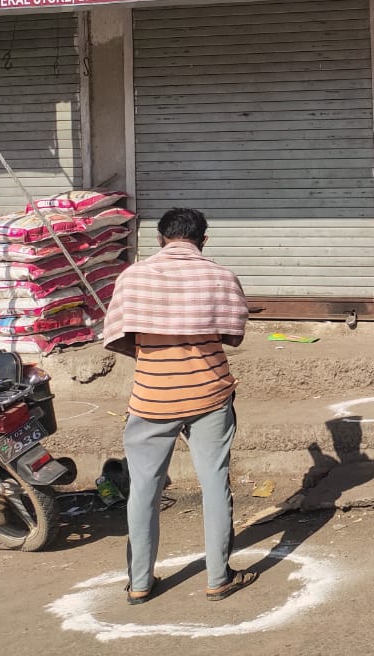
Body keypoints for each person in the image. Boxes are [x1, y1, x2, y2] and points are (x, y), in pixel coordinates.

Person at [102, 208, 256, 604]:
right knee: (214, 483)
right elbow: (233, 335)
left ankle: (139, 583)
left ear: (160, 239)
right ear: (204, 240)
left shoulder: (132, 277)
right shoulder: (221, 276)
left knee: (143, 491)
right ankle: (218, 578)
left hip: (151, 397)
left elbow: (118, 337)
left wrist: (156, 355)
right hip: (210, 394)